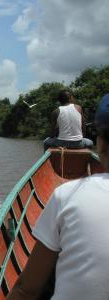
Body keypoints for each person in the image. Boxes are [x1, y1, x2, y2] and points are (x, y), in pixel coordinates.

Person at [7, 94, 109, 300]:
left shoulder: (66, 195)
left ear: (103, 145)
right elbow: (82, 128)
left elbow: (26, 290)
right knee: (83, 141)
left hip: (59, 143)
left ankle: (49, 161)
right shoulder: (79, 109)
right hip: (81, 142)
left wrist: (53, 143)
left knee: (46, 142)